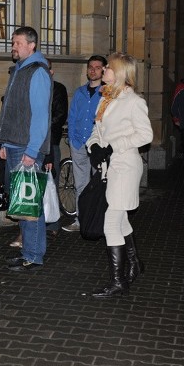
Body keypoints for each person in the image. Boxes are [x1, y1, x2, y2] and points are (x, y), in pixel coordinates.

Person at [87, 52, 153, 298]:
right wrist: (94, 146)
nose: (103, 70)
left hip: (125, 166)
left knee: (111, 222)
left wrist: (114, 146)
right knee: (121, 220)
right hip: (108, 168)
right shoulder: (106, 97)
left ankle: (118, 281)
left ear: (119, 72)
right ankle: (135, 264)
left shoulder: (133, 101)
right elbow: (97, 129)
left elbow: (145, 135)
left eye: (107, 68)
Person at [0, 26, 52, 272]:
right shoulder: (20, 70)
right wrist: (6, 143)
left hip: (28, 149)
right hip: (16, 146)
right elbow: (14, 112)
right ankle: (28, 251)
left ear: (31, 45)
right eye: (13, 43)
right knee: (21, 204)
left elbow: (40, 117)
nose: (13, 47)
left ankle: (34, 256)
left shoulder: (37, 72)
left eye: (18, 43)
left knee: (30, 206)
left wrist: (31, 151)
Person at [62, 55, 107, 232]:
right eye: (90, 67)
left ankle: (98, 221)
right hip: (79, 143)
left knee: (99, 184)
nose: (93, 70)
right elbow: (72, 116)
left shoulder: (107, 93)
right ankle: (81, 221)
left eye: (97, 67)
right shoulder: (80, 92)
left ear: (104, 70)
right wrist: (73, 137)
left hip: (98, 145)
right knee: (81, 184)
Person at [44, 59, 68, 235]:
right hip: (34, 143)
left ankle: (53, 223)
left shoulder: (58, 89)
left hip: (50, 141)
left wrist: (41, 127)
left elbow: (60, 115)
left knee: (51, 182)